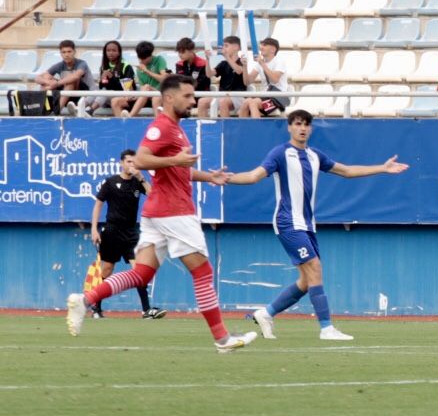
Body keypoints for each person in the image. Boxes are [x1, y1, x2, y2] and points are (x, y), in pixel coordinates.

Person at [67, 74, 256, 352]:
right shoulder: (163, 127)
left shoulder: (176, 128)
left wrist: (209, 177)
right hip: (174, 212)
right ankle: (222, 339)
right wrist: (175, 159)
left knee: (141, 274)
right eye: (188, 96)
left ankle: (84, 300)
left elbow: (178, 170)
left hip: (159, 211)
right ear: (169, 98)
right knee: (203, 273)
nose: (193, 100)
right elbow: (141, 159)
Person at [224, 109, 408, 343]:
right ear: (289, 127)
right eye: (298, 124)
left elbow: (347, 171)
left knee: (306, 281)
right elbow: (253, 176)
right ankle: (326, 328)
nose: (302, 128)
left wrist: (382, 168)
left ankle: (266, 313)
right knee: (315, 268)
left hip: (308, 224)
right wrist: (225, 178)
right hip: (288, 222)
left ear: (311, 129)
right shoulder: (280, 154)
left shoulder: (315, 156)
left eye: (306, 124)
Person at [87, 150, 159, 319]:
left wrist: (141, 177)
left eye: (133, 162)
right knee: (107, 269)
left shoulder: (137, 182)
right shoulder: (111, 182)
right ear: (121, 163)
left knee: (139, 270)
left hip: (131, 232)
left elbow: (153, 195)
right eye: (128, 161)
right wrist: (94, 229)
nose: (130, 165)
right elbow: (98, 204)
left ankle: (146, 310)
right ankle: (96, 308)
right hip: (112, 231)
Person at [34, 39, 94, 116]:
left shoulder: (82, 63)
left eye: (69, 51)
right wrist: (48, 82)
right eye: (64, 52)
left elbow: (76, 76)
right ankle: (43, 108)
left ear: (74, 52)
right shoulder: (60, 65)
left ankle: (57, 111)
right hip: (68, 96)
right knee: (46, 78)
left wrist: (56, 83)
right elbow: (37, 78)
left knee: (70, 82)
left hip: (83, 94)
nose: (66, 55)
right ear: (61, 54)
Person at [249, 36, 291, 119]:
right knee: (245, 103)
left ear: (273, 49)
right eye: (261, 45)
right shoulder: (259, 64)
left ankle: (256, 130)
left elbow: (275, 80)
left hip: (278, 99)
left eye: (264, 45)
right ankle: (243, 131)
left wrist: (263, 64)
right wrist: (244, 65)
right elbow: (247, 81)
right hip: (265, 96)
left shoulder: (279, 61)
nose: (261, 47)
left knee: (253, 103)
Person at [97, 40, 136, 116]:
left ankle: (90, 110)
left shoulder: (126, 66)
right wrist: (102, 80)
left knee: (104, 93)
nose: (110, 53)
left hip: (123, 96)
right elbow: (102, 87)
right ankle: (85, 109)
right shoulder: (104, 66)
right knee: (96, 93)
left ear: (119, 53)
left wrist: (112, 77)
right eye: (108, 50)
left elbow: (126, 88)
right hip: (107, 97)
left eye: (114, 50)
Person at [129, 39, 167, 117]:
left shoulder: (159, 60)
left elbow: (164, 79)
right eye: (140, 58)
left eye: (144, 58)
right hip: (147, 96)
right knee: (116, 101)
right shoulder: (139, 69)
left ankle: (130, 116)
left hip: (162, 93)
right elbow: (142, 87)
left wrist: (147, 71)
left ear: (150, 55)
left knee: (153, 94)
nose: (141, 61)